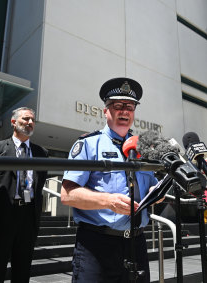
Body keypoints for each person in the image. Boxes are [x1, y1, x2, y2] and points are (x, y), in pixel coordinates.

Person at [61, 77, 158, 283]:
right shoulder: (88, 144)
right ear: (106, 111)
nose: (124, 111)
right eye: (118, 106)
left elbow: (152, 188)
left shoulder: (143, 149)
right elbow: (67, 194)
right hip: (97, 245)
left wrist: (158, 194)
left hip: (136, 243)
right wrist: (107, 201)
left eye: (130, 107)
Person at [0, 107, 48, 283]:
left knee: (23, 269)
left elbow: (38, 184)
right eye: (25, 119)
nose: (30, 123)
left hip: (28, 217)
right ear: (13, 122)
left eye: (32, 120)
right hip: (1, 215)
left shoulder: (41, 153)